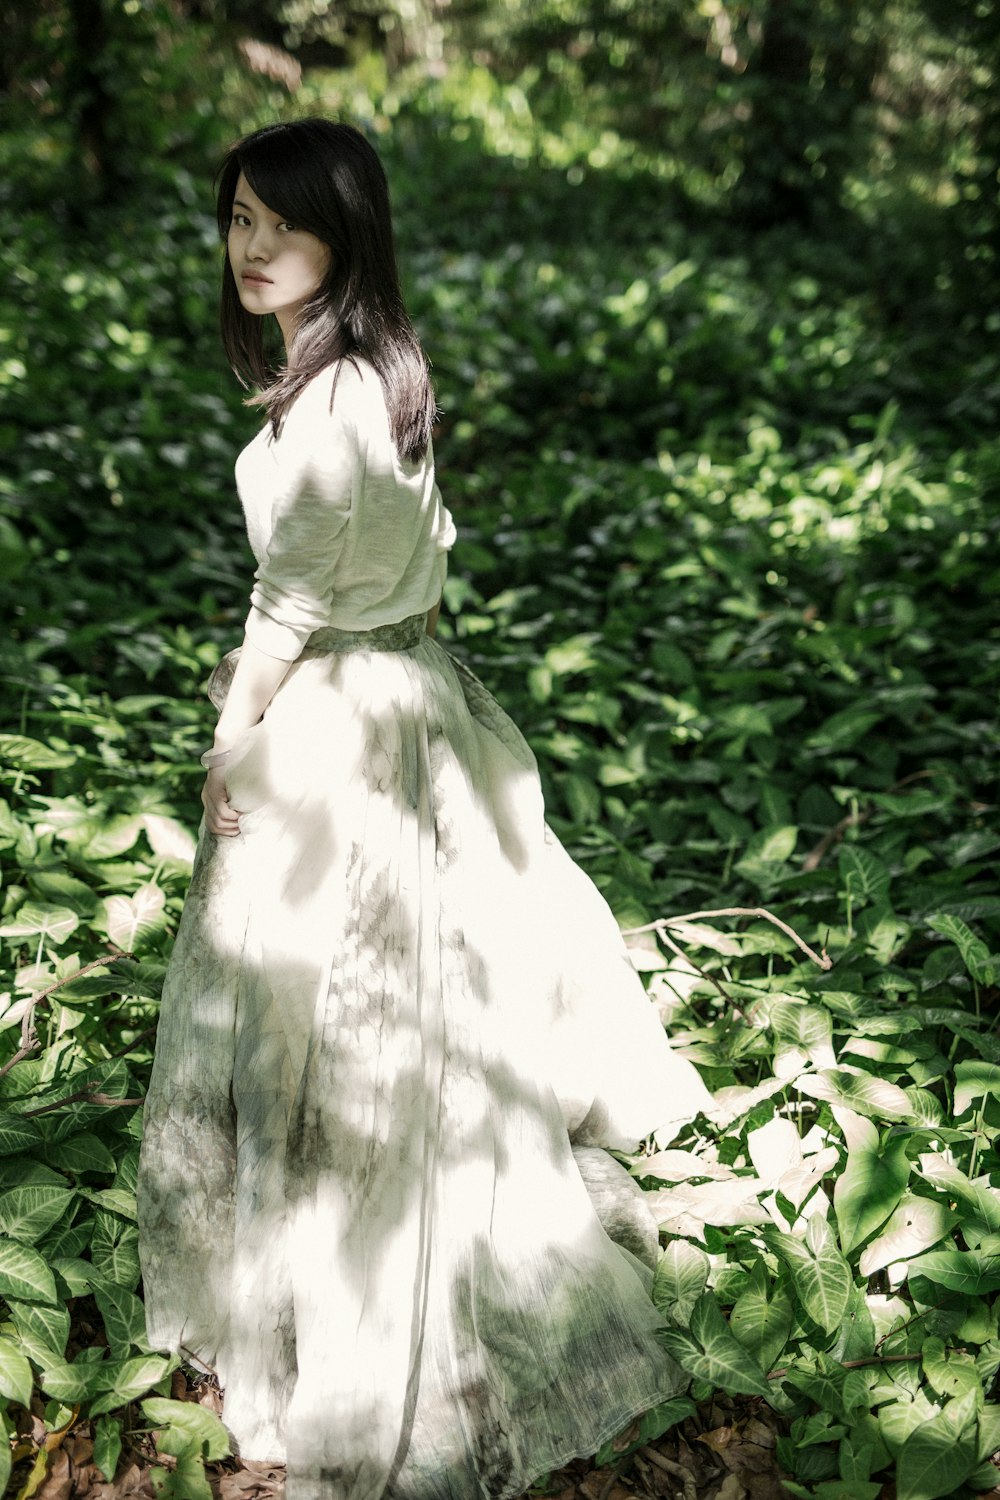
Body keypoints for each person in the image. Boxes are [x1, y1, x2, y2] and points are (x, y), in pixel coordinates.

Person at [137, 118, 713, 1500]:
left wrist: (235, 736)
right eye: (237, 222)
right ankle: (332, 1253)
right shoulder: (371, 370)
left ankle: (351, 1297)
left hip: (340, 710)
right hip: (403, 687)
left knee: (325, 1005)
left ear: (348, 232)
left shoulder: (332, 399)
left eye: (283, 223)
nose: (254, 247)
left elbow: (289, 601)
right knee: (377, 999)